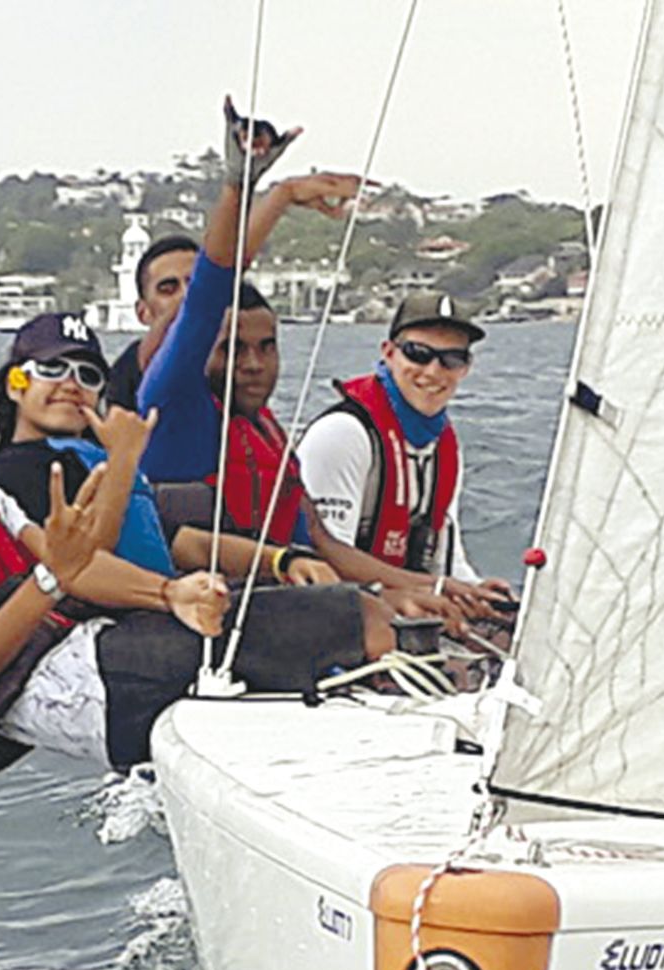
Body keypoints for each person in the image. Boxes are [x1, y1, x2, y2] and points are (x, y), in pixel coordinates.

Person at [0, 321, 392, 779]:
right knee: (359, 619)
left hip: (111, 646)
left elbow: (80, 566)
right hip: (86, 690)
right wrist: (50, 581)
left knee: (333, 629)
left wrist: (171, 594)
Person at [135, 99, 489, 624]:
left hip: (286, 609)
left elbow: (323, 546)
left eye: (267, 347)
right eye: (233, 349)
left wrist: (441, 588)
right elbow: (207, 294)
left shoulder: (267, 431)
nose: (253, 364)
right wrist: (248, 189)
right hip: (210, 624)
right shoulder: (174, 407)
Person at [0, 311, 338, 588]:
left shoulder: (95, 458)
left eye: (87, 375)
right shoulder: (8, 470)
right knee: (354, 617)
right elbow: (84, 565)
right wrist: (123, 461)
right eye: (52, 369)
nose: (71, 384)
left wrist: (282, 560)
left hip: (172, 602)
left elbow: (184, 543)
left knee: (341, 600)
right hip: (114, 624)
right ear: (15, 384)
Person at [297, 291, 512, 602]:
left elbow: (446, 562)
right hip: (338, 608)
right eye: (418, 353)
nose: (433, 371)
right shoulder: (342, 434)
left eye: (452, 358)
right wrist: (432, 591)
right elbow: (325, 562)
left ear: (466, 367)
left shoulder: (444, 448)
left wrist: (476, 591)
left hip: (404, 606)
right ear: (389, 353)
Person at [101, 234, 198, 413]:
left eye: (195, 285)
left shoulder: (241, 357)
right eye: (168, 290)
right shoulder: (127, 376)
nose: (186, 295)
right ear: (143, 312)